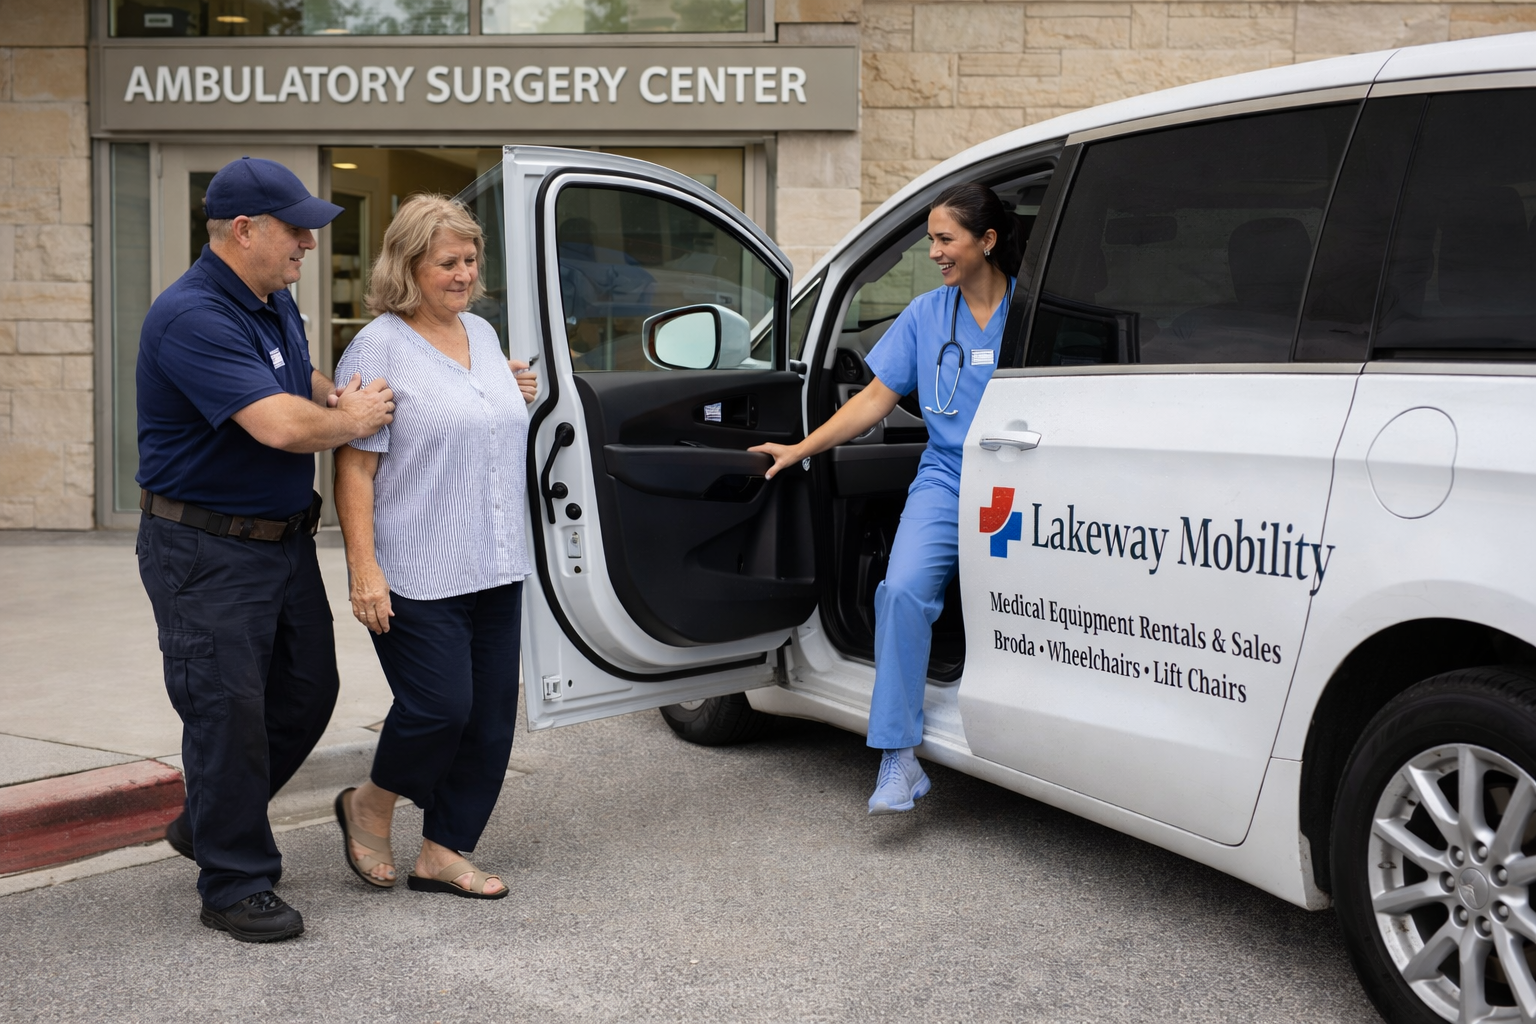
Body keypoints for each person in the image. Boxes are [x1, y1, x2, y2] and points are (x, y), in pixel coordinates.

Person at [136, 156, 395, 941]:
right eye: (296, 230)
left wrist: (334, 393)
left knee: (307, 695)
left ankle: (211, 820)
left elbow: (295, 380)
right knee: (228, 715)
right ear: (243, 231)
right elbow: (277, 425)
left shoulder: (270, 298)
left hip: (278, 547)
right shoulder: (191, 315)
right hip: (204, 551)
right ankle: (234, 883)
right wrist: (354, 421)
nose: (309, 245)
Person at [751, 182, 1020, 815]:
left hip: (1020, 477)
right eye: (930, 238)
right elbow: (874, 399)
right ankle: (899, 756)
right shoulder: (928, 314)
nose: (933, 251)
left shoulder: (1030, 314)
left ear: (987, 241)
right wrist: (801, 449)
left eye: (944, 239)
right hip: (949, 474)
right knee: (900, 591)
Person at [332, 194, 538, 899]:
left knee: (488, 721)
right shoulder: (379, 346)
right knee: (439, 708)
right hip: (417, 568)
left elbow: (476, 415)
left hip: (496, 560)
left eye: (471, 260)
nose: (463, 275)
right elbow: (356, 463)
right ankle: (371, 803)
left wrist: (510, 394)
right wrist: (364, 570)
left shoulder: (481, 333)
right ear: (409, 266)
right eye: (447, 262)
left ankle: (444, 851)